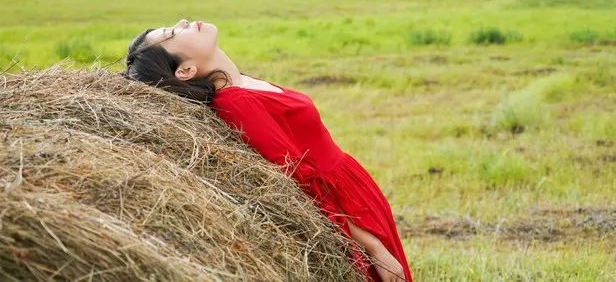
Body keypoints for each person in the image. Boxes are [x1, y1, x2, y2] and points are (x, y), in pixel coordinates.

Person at [123, 18, 412, 282]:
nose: (183, 22)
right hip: (345, 207)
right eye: (172, 33)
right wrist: (374, 248)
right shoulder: (237, 104)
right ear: (185, 70)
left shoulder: (242, 83)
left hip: (351, 188)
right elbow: (301, 182)